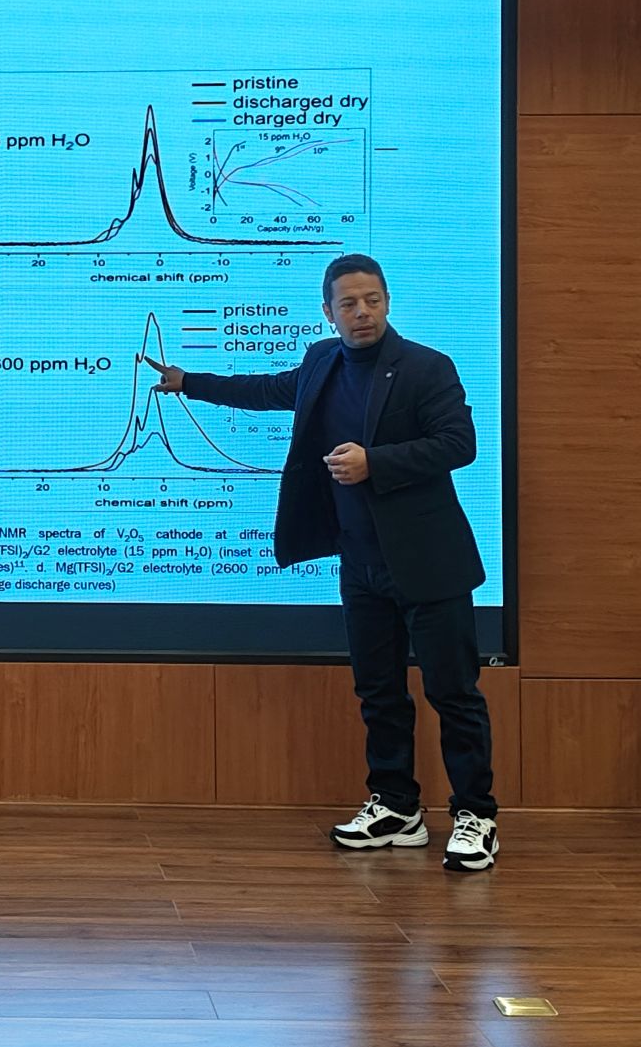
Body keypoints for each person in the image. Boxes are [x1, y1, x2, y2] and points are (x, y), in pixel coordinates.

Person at [140, 253, 498, 871]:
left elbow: (458, 444)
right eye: (349, 304)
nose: (363, 313)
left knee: (453, 693)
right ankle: (397, 807)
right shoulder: (320, 363)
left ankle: (476, 815)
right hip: (360, 564)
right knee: (379, 692)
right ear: (327, 312)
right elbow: (265, 390)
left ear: (388, 303)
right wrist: (188, 381)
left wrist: (374, 463)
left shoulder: (427, 367)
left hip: (430, 564)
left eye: (373, 301)